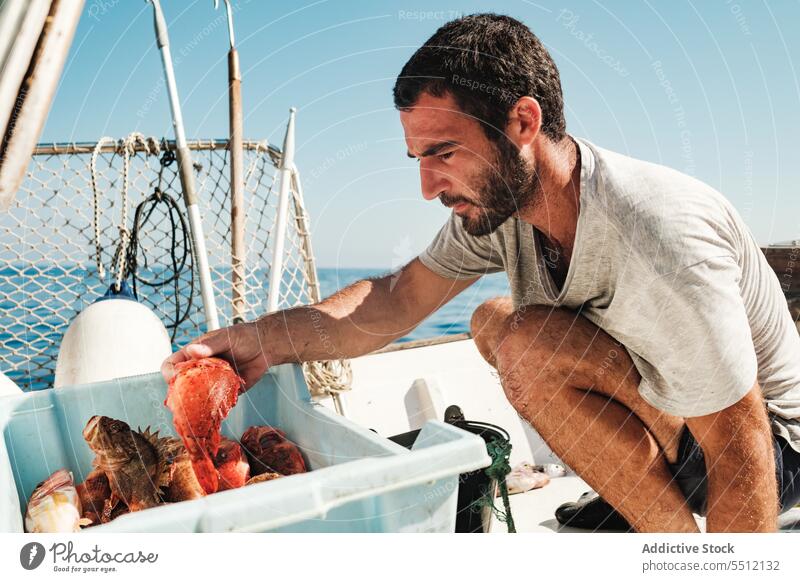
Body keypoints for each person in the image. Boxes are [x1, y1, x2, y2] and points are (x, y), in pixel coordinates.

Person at [162, 13, 800, 532]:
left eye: (443, 152)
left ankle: (669, 545)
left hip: (773, 453)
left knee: (526, 345)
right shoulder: (503, 210)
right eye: (417, 156)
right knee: (494, 320)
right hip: (682, 419)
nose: (426, 185)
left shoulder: (658, 231)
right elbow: (392, 301)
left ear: (523, 122)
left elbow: (738, 438)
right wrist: (255, 341)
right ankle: (647, 508)